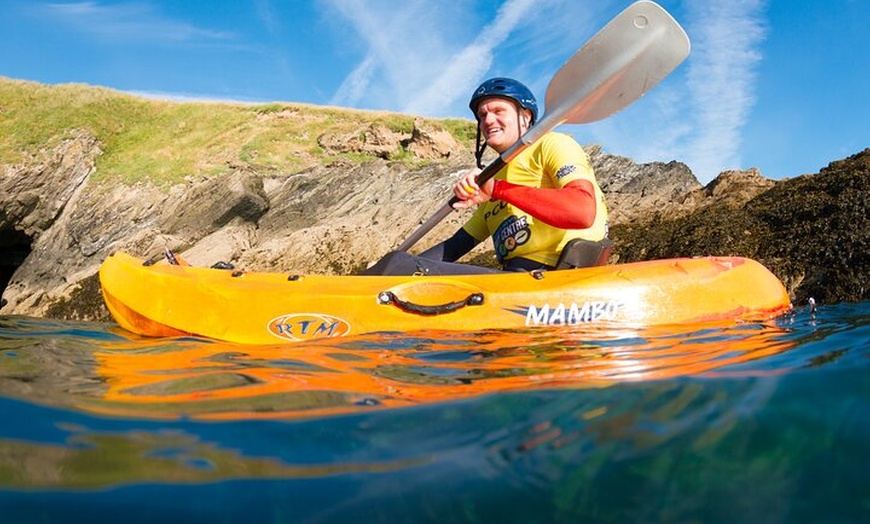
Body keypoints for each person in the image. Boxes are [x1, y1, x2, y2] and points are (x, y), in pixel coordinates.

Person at [362, 77, 609, 276]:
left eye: (498, 110)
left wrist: (498, 189)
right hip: (520, 280)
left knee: (397, 265)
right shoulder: (493, 177)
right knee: (397, 264)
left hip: (559, 275)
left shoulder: (552, 144)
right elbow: (455, 247)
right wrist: (388, 269)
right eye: (482, 115)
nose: (488, 120)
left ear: (525, 116)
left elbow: (582, 212)